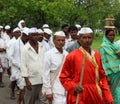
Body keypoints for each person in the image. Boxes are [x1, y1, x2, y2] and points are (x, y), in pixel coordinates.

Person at [59, 27, 114, 104]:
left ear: (92, 38)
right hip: (80, 95)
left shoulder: (97, 55)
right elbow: (63, 77)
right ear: (79, 39)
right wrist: (74, 86)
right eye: (84, 37)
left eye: (89, 37)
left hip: (95, 94)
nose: (87, 40)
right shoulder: (72, 56)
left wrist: (108, 96)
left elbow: (102, 77)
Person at [20, 28, 45, 104]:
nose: (36, 37)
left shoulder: (42, 46)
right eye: (33, 35)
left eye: (37, 35)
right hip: (31, 81)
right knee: (29, 101)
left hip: (42, 79)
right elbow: (23, 65)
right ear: (29, 36)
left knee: (43, 101)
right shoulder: (25, 49)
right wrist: (27, 81)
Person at [42, 31, 68, 104]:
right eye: (58, 40)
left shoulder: (67, 54)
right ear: (54, 41)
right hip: (55, 88)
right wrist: (48, 91)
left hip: (66, 89)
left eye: (63, 40)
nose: (61, 42)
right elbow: (45, 74)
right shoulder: (48, 55)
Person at [99, 29, 120, 104]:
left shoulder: (115, 45)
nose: (112, 37)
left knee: (118, 90)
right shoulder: (103, 46)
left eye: (113, 35)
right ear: (106, 36)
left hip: (118, 71)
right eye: (110, 35)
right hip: (110, 73)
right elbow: (103, 62)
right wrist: (106, 75)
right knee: (114, 91)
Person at [9, 29, 29, 103]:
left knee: (23, 87)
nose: (28, 39)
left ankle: (19, 101)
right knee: (16, 81)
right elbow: (10, 56)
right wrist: (18, 65)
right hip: (16, 68)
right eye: (27, 37)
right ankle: (12, 91)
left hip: (26, 68)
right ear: (23, 35)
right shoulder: (14, 43)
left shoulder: (28, 44)